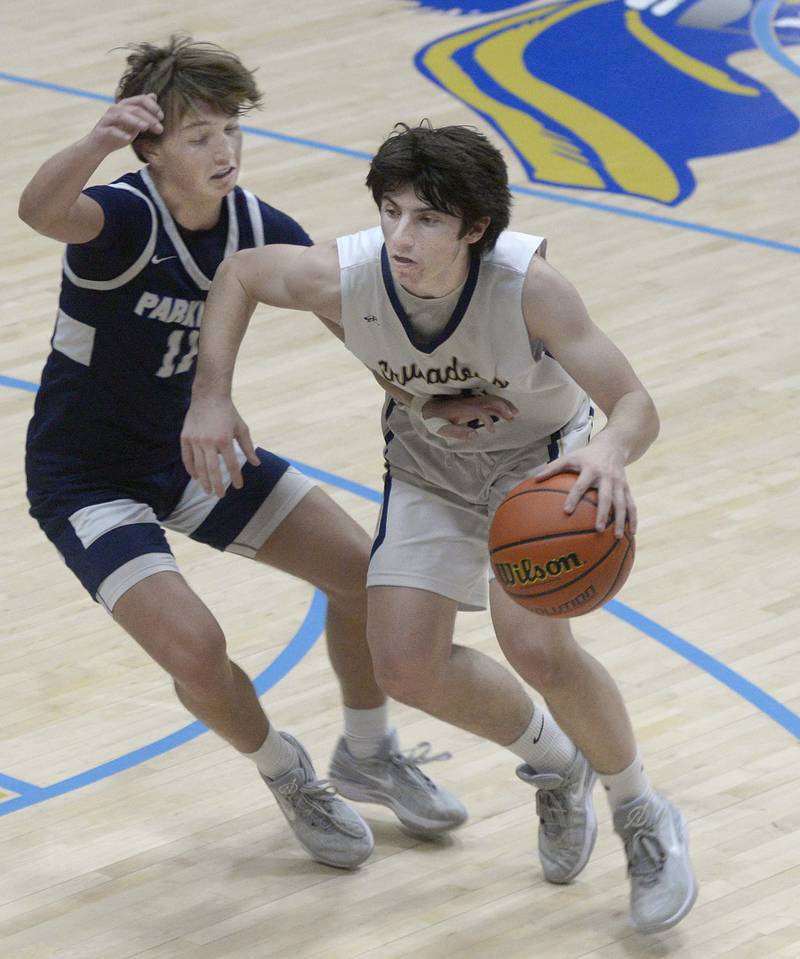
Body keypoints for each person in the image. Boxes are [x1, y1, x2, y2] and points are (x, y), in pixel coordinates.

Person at [181, 120, 699, 932]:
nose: (399, 235)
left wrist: (609, 453)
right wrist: (212, 392)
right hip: (428, 467)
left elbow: (635, 403)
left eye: (425, 219)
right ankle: (556, 766)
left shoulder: (530, 286)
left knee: (535, 647)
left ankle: (643, 812)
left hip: (540, 465)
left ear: (474, 227)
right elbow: (241, 274)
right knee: (405, 666)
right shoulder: (346, 273)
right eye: (390, 211)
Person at [19, 45, 468, 872]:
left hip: (191, 450)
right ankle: (285, 771)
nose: (224, 150)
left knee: (363, 574)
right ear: (148, 147)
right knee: (194, 647)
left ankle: (368, 750)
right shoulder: (121, 219)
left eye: (231, 129)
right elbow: (39, 210)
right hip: (86, 478)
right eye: (198, 136)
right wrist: (92, 142)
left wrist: (432, 400)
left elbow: (362, 328)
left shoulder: (261, 229)